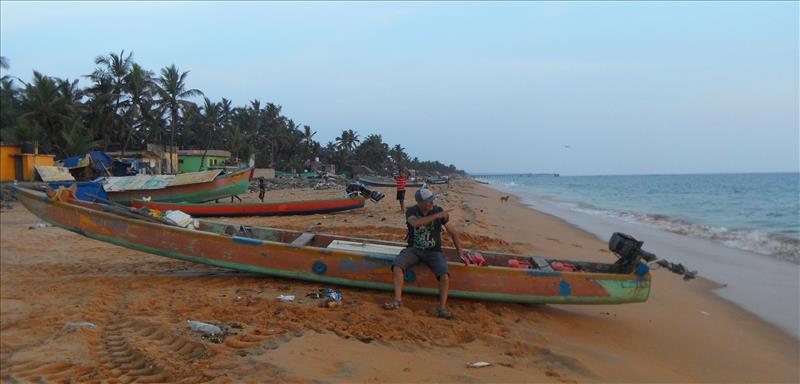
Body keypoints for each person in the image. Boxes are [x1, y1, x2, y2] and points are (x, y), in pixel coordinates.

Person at [383, 188, 465, 319]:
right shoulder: (412, 211)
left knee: (444, 275)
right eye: (429, 201)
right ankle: (397, 300)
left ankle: (442, 308)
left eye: (433, 200)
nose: (432, 203)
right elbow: (415, 223)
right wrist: (436, 216)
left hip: (433, 251)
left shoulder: (438, 211)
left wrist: (460, 253)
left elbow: (453, 232)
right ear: (419, 202)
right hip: (414, 249)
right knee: (397, 265)